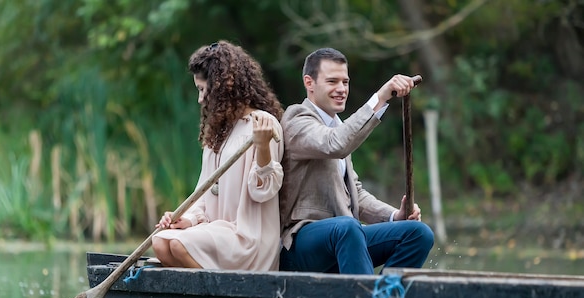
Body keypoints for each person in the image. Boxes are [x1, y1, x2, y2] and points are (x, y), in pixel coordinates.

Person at [279, 47, 434, 275]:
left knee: (418, 233)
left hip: (346, 236)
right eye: (332, 81)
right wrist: (380, 98)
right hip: (301, 244)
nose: (341, 89)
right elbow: (336, 144)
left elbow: (355, 195)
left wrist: (394, 216)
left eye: (345, 82)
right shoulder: (297, 120)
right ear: (309, 83)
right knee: (348, 227)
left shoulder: (339, 127)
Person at [152, 41, 284, 270]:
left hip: (247, 237)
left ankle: (222, 293)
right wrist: (185, 218)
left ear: (223, 88)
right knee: (161, 242)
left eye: (203, 90)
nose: (200, 99)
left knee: (177, 246)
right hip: (216, 233)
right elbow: (203, 194)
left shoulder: (263, 124)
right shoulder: (218, 132)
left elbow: (263, 191)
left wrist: (262, 147)